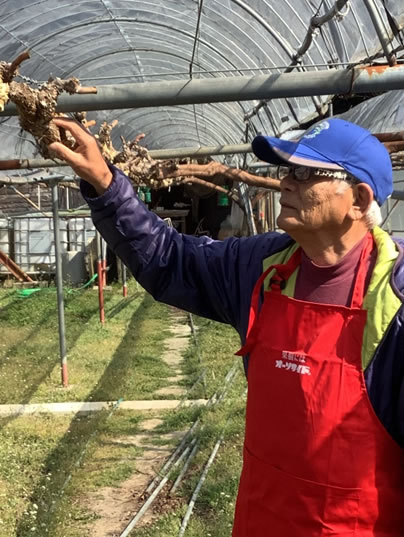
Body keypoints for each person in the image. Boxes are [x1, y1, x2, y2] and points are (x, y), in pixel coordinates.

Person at [49, 117, 404, 536]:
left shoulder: (394, 300)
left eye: (306, 173)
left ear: (359, 200)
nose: (285, 183)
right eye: (286, 170)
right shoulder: (264, 267)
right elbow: (172, 260)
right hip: (261, 518)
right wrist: (105, 183)